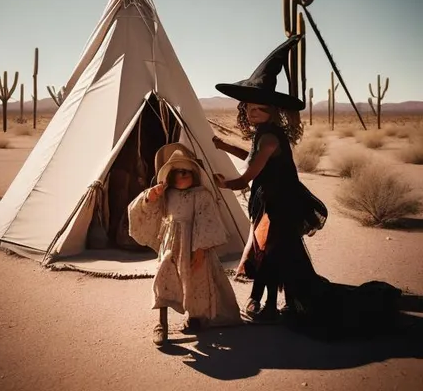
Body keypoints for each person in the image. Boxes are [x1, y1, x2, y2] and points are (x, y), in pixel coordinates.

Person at [212, 35, 401, 340]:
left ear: (273, 111)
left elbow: (249, 173)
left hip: (278, 206)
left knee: (270, 255)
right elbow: (251, 158)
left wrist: (225, 184)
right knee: (267, 253)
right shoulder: (263, 134)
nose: (252, 114)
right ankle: (263, 303)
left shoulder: (270, 138)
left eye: (259, 110)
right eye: (249, 108)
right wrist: (224, 147)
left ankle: (268, 306)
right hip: (269, 204)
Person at [128, 143, 241, 346]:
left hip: (195, 244)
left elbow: (207, 220)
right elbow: (145, 209)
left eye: (187, 171)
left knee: (196, 279)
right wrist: (149, 197)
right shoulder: (166, 194)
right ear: (170, 175)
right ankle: (161, 323)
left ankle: (196, 317)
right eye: (178, 171)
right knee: (164, 277)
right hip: (171, 242)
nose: (184, 175)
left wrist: (200, 249)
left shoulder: (202, 195)